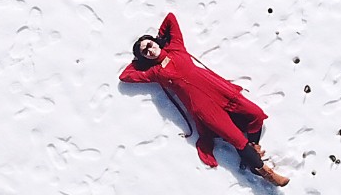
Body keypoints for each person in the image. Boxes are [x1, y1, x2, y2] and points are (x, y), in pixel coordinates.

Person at [120, 12, 289, 185]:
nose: (149, 50)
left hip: (219, 91)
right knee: (237, 139)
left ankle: (253, 152)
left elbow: (170, 18)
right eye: (145, 52)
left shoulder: (176, 47)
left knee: (256, 114)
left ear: (154, 41)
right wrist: (139, 62)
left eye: (149, 45)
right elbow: (125, 76)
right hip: (203, 108)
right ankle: (267, 173)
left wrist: (159, 39)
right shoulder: (154, 72)